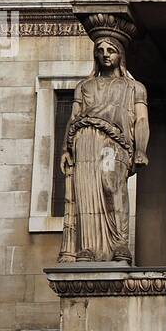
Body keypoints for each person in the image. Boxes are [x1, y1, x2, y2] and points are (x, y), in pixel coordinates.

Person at [59, 29, 149, 264]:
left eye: (111, 51)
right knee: (86, 191)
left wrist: (141, 149)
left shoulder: (134, 87)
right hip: (85, 140)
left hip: (114, 142)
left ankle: (120, 243)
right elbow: (74, 116)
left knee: (112, 184)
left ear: (120, 55)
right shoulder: (84, 87)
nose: (105, 55)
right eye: (100, 51)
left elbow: (141, 120)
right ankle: (88, 248)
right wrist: (64, 149)